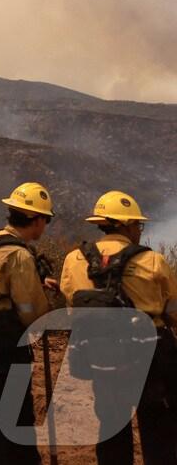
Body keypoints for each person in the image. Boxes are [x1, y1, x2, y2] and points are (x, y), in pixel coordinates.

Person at [59, 190, 177, 465]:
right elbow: (172, 311)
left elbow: (72, 306)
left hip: (102, 356)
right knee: (159, 427)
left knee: (111, 427)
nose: (138, 230)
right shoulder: (152, 261)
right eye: (137, 224)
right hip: (150, 356)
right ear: (124, 225)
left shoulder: (74, 260)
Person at [0, 182, 56, 465]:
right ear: (37, 219)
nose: (45, 226)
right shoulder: (19, 254)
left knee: (2, 403)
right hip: (7, 338)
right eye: (46, 219)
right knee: (14, 406)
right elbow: (29, 308)